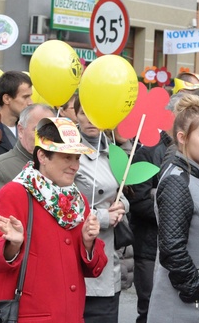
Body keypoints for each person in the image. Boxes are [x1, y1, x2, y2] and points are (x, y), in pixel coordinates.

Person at [0, 117, 107, 321]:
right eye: (66, 157)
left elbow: (93, 269)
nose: (75, 166)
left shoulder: (77, 200)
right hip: (28, 315)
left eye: (77, 158)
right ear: (42, 156)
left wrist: (88, 243)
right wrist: (11, 245)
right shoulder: (14, 193)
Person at [147, 94, 199, 322]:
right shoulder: (178, 180)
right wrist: (195, 287)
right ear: (182, 137)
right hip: (185, 308)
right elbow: (172, 247)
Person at [72, 96, 129, 323]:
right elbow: (61, 203)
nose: (90, 119)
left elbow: (121, 189)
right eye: (84, 113)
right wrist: (104, 216)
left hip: (107, 255)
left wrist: (122, 205)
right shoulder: (67, 151)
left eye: (96, 112)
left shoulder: (114, 151)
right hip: (76, 251)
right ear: (75, 115)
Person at [0, 104, 55, 233]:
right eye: (38, 130)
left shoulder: (59, 166)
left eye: (51, 131)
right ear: (20, 130)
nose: (45, 137)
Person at [0, 70, 34, 147]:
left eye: (30, 97)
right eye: (25, 97)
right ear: (7, 99)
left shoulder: (30, 127)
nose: (30, 102)